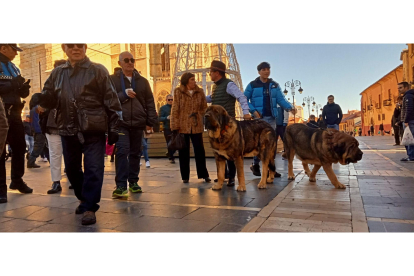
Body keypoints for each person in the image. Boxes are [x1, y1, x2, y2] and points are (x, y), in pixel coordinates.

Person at [39, 44, 122, 225]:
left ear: (85, 47)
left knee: (94, 168)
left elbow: (111, 99)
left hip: (93, 127)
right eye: (71, 45)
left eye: (79, 45)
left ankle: (90, 207)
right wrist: (42, 98)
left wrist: (114, 127)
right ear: (64, 48)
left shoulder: (97, 70)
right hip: (68, 128)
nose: (75, 48)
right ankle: (83, 198)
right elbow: (50, 97)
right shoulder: (57, 73)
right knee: (71, 169)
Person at [110, 51, 157, 198]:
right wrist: (123, 95)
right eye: (126, 60)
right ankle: (121, 185)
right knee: (122, 151)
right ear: (120, 63)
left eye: (132, 60)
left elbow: (150, 102)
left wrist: (150, 122)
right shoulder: (112, 80)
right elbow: (108, 99)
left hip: (138, 122)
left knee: (136, 153)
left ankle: (134, 182)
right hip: (121, 122)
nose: (130, 62)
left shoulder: (142, 81)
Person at [206, 61, 252, 186]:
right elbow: (212, 98)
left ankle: (232, 177)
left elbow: (241, 97)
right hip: (217, 124)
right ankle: (223, 175)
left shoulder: (229, 85)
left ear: (217, 72)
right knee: (219, 150)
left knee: (232, 150)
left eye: (211, 72)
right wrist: (201, 97)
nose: (209, 74)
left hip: (229, 124)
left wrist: (246, 112)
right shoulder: (215, 86)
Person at [244, 61, 293, 177]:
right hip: (258, 119)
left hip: (272, 118)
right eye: (264, 69)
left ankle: (271, 169)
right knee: (259, 143)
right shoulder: (252, 85)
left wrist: (290, 107)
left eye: (268, 69)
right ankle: (255, 165)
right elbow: (244, 99)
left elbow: (281, 99)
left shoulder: (274, 85)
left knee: (271, 144)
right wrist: (253, 111)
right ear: (259, 72)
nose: (266, 71)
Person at [0, 44, 33, 204]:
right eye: (13, 50)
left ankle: (17, 179)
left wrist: (23, 89)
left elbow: (18, 89)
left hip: (14, 112)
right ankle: (0, 188)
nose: (15, 53)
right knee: (0, 151)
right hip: (1, 112)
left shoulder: (13, 67)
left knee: (20, 147)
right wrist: (13, 85)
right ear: (3, 48)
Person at [171, 72, 211, 183]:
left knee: (200, 151)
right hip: (183, 125)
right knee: (183, 152)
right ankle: (185, 176)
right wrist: (174, 125)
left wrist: (199, 114)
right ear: (187, 81)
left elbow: (204, 108)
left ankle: (204, 174)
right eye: (192, 79)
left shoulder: (200, 92)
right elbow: (175, 109)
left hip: (196, 124)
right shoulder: (178, 92)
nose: (195, 81)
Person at [41, 59, 68, 194]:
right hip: (53, 125)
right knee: (55, 154)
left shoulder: (73, 82)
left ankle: (74, 178)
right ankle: (56, 182)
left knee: (72, 153)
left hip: (70, 124)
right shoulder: (49, 84)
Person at [27, 93, 46, 168]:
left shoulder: (32, 109)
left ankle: (50, 160)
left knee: (43, 146)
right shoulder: (37, 109)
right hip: (39, 130)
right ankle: (31, 161)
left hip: (36, 130)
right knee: (38, 146)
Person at [399, 81, 414, 162]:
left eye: (401, 88)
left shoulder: (408, 96)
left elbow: (409, 108)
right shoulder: (408, 95)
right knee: (410, 138)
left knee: (409, 138)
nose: (399, 90)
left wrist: (406, 120)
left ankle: (411, 156)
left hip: (409, 121)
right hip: (410, 120)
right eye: (398, 88)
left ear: (406, 87)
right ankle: (411, 155)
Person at [159, 94, 176, 163]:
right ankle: (171, 157)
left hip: (175, 127)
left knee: (176, 142)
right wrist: (166, 118)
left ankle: (170, 153)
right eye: (169, 100)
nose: (170, 101)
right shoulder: (163, 108)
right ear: (166, 100)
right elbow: (159, 118)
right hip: (167, 127)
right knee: (169, 143)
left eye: (172, 99)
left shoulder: (176, 107)